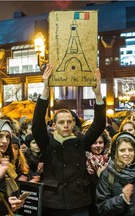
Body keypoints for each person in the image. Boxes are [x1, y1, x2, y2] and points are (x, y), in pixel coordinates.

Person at [32, 64, 106, 216]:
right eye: (61, 122)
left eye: (69, 121)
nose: (65, 125)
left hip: (79, 202)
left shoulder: (81, 140)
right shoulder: (47, 142)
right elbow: (37, 124)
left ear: (74, 123)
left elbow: (98, 126)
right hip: (53, 202)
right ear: (54, 125)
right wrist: (46, 89)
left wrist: (98, 95)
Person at [95, 132, 135, 216]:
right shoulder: (107, 174)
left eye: (130, 150)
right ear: (116, 152)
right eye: (122, 150)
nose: (127, 154)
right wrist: (122, 199)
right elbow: (102, 208)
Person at [0, 119, 24, 212]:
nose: (5, 141)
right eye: (0, 136)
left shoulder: (5, 162)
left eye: (7, 137)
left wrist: (6, 203)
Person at [85, 131, 111, 216]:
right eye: (94, 143)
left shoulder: (111, 161)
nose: (98, 146)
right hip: (89, 206)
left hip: (107, 206)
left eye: (100, 142)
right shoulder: (83, 161)